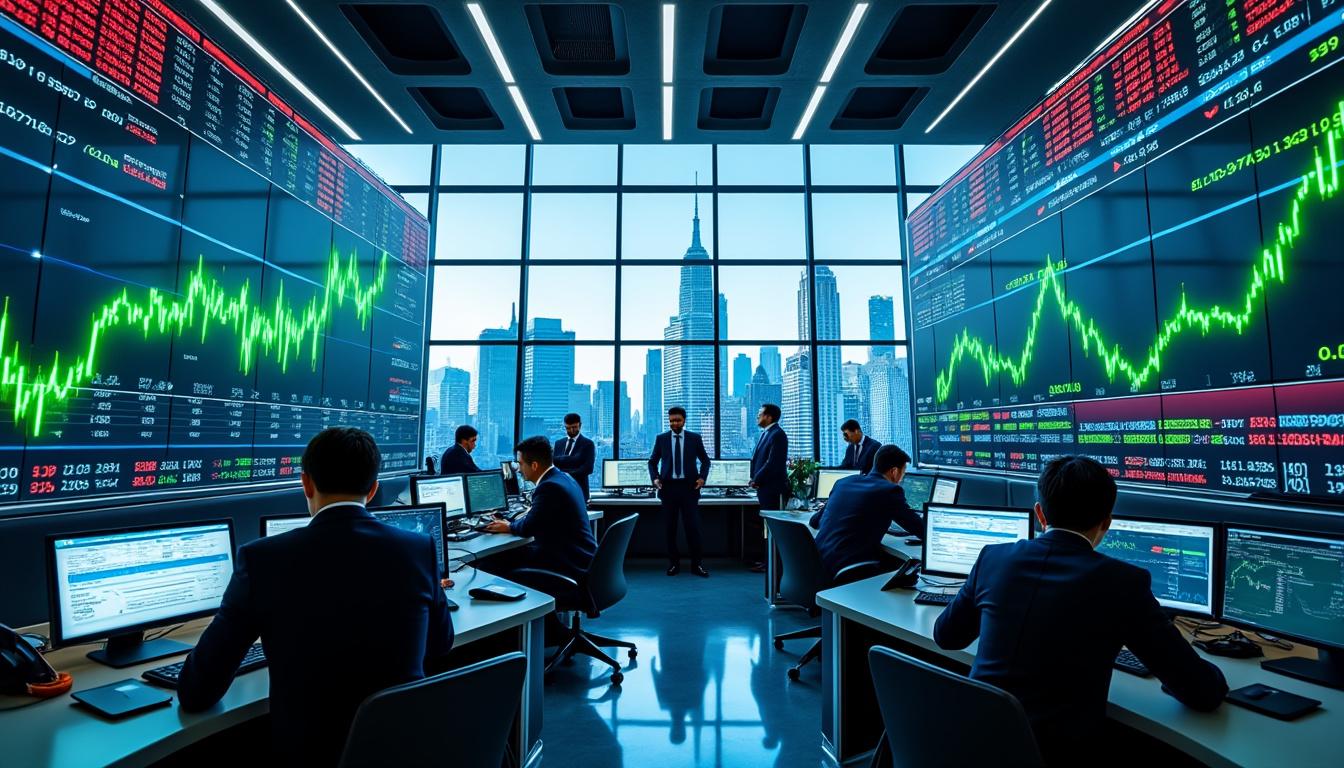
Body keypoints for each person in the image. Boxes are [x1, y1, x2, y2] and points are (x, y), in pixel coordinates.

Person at [178, 427, 454, 764]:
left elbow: (197, 692)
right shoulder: (418, 549)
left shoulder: (261, 560)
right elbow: (440, 644)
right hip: (403, 748)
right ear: (373, 489)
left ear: (306, 483)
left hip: (310, 752)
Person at [932, 455, 1227, 765]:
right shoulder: (1123, 582)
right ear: (1106, 522)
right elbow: (1202, 693)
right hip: (1055, 753)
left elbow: (946, 636)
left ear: (1039, 513)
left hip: (973, 742)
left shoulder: (993, 558)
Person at [483, 436, 596, 582]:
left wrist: (509, 526)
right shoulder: (564, 478)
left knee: (490, 564)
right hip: (583, 559)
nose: (518, 470)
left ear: (534, 465)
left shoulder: (549, 487)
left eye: (520, 464)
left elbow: (528, 527)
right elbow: (538, 518)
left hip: (569, 566)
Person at [808, 444, 924, 581]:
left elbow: (814, 521)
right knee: (906, 575)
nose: (901, 480)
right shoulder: (889, 491)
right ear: (894, 471)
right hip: (844, 570)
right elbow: (920, 528)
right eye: (902, 474)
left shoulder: (843, 483)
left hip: (815, 567)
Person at [648, 406, 712, 577]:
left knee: (693, 528)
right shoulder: (661, 439)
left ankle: (697, 565)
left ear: (684, 420)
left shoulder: (694, 438)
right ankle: (673, 564)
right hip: (668, 489)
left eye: (677, 420)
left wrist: (702, 478)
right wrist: (655, 478)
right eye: (671, 421)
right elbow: (652, 462)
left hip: (689, 489)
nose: (674, 423)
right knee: (670, 529)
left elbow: (706, 461)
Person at [747, 404, 788, 572]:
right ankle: (768, 561)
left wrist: (756, 479)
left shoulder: (778, 435)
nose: (757, 416)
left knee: (772, 528)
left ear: (769, 417)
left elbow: (773, 463)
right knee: (767, 527)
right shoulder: (767, 433)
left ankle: (773, 564)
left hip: (772, 489)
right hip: (764, 488)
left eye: (760, 414)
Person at [553, 413, 596, 501]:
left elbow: (588, 469)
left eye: (574, 427)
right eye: (568, 428)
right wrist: (575, 461)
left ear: (580, 425)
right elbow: (554, 464)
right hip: (560, 490)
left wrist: (563, 471)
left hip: (579, 490)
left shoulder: (588, 444)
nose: (572, 430)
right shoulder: (558, 443)